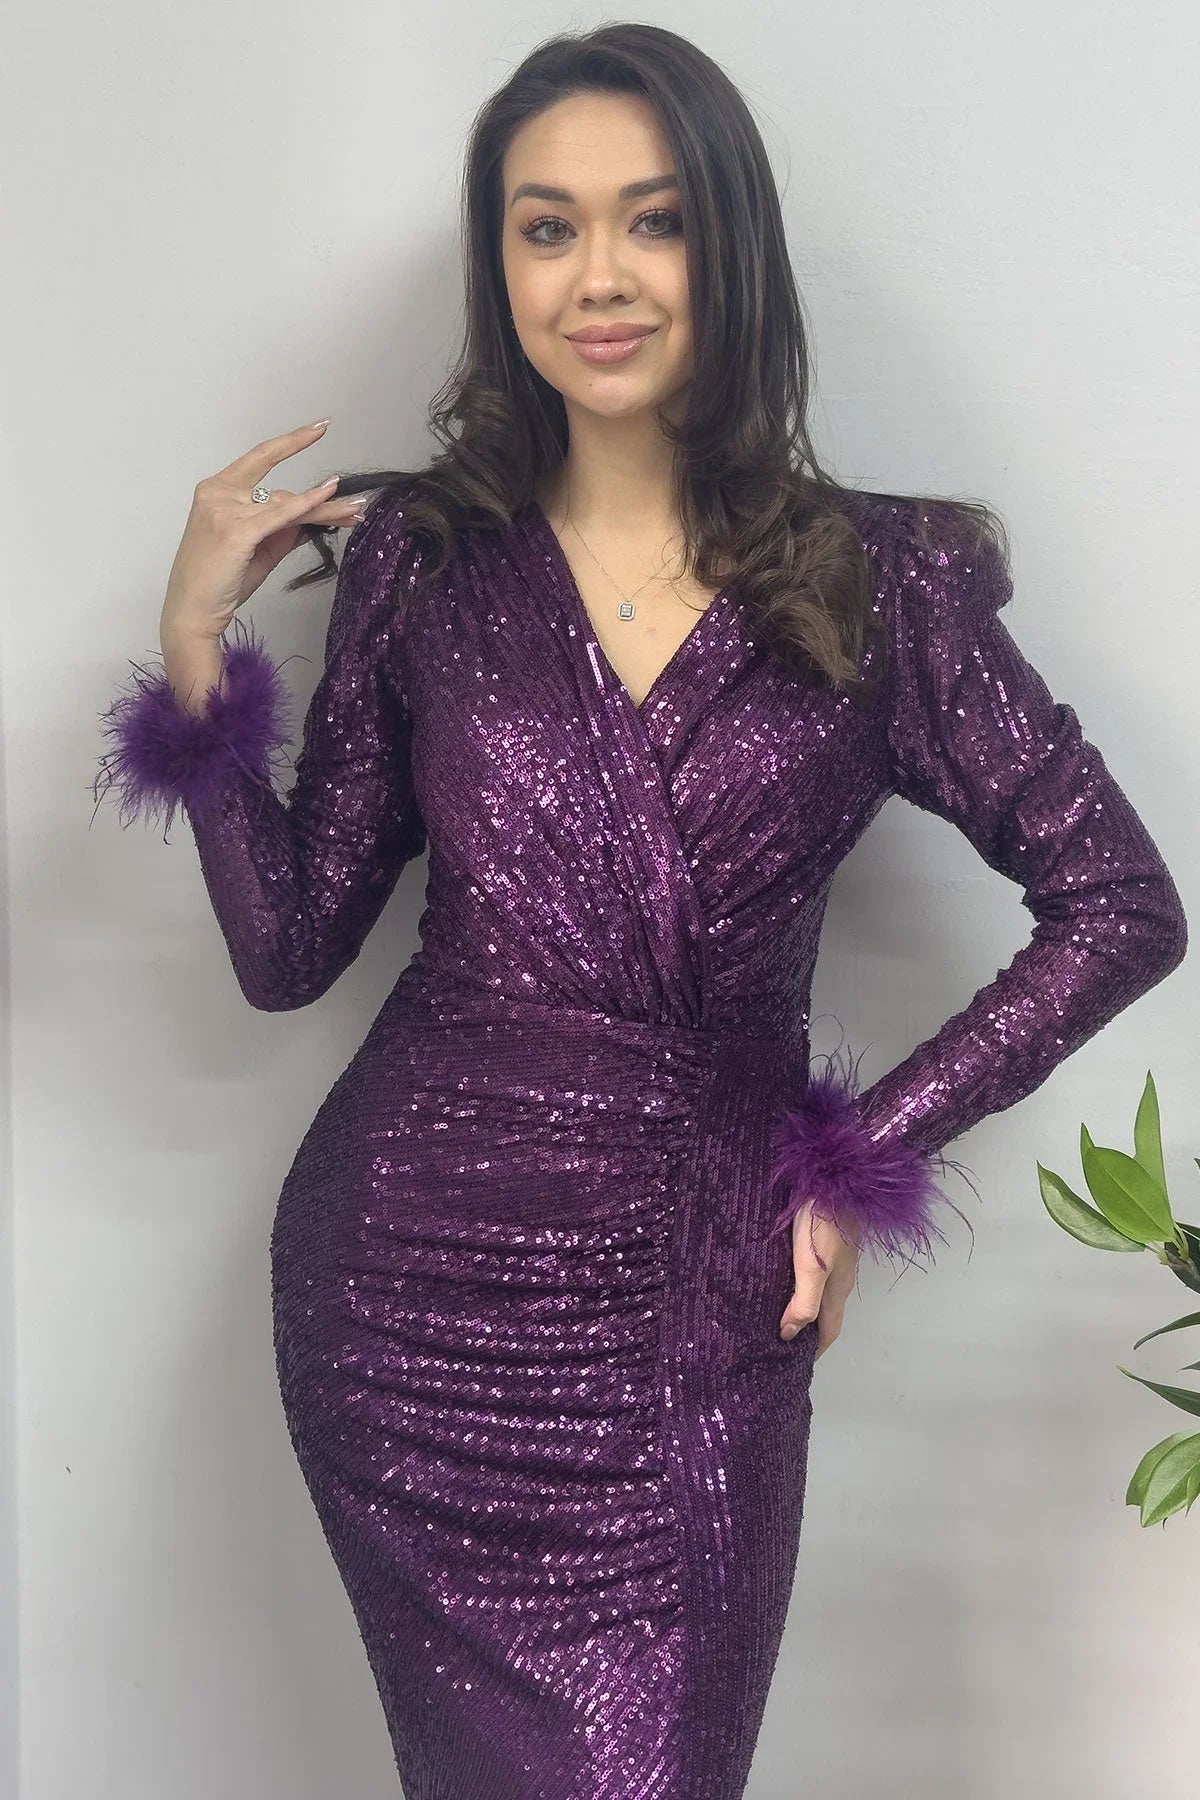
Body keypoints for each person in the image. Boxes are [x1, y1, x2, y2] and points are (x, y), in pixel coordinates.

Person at [89, 22, 1188, 1800]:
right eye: (548, 227)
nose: (598, 275)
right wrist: (197, 646)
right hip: (404, 1299)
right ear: (502, 267)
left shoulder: (879, 580)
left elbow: (1119, 903)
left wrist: (855, 1158)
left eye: (652, 220)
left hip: (690, 1313)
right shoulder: (422, 562)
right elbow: (288, 952)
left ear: (727, 248)